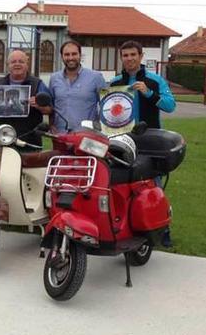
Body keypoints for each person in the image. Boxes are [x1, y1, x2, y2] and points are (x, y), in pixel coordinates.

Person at [110, 40, 176, 247]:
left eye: (133, 55)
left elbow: (170, 105)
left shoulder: (155, 80)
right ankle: (126, 226)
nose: (129, 59)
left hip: (149, 140)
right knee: (120, 182)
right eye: (125, 55)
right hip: (122, 138)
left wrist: (148, 92)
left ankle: (163, 229)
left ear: (141, 56)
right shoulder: (115, 82)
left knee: (153, 185)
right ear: (121, 58)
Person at [0, 49, 52, 150]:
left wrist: (39, 105)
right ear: (8, 65)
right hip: (5, 138)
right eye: (13, 62)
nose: (17, 64)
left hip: (31, 139)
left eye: (21, 61)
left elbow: (49, 110)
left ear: (27, 65)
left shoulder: (38, 84)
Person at [49, 40, 107, 133]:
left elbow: (106, 105)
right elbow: (51, 106)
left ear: (80, 55)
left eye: (74, 54)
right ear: (62, 57)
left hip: (87, 136)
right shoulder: (54, 78)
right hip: (60, 135)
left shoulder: (96, 77)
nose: (71, 58)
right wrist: (51, 125)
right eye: (67, 54)